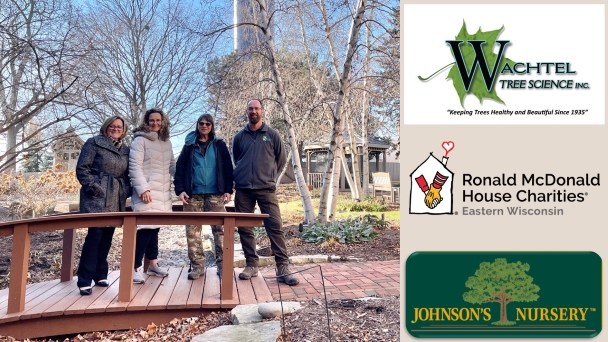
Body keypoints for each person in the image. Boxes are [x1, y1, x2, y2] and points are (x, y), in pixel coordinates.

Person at [232, 99, 299, 286]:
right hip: (244, 189)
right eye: (250, 108)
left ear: (262, 111)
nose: (253, 111)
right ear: (247, 112)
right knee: (245, 228)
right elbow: (237, 158)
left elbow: (281, 159)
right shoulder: (239, 137)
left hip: (266, 189)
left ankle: (283, 268)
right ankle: (251, 265)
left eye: (256, 108)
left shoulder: (272, 135)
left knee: (275, 227)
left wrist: (268, 176)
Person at [75, 116, 131, 295]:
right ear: (106, 127)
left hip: (116, 197)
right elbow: (82, 168)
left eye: (119, 127)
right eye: (112, 126)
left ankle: (100, 274)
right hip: (97, 197)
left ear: (123, 130)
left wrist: (125, 190)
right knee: (95, 236)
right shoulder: (93, 143)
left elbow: (128, 174)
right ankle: (84, 279)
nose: (115, 129)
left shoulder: (125, 149)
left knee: (107, 236)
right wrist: (93, 187)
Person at [174, 114, 234, 280]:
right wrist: (180, 190)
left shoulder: (219, 145)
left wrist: (228, 189)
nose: (205, 126)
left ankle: (223, 266)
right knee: (193, 232)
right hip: (193, 194)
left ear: (212, 126)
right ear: (197, 125)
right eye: (201, 123)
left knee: (220, 230)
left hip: (216, 193)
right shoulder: (189, 146)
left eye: (208, 123)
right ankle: (197, 267)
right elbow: (179, 170)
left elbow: (228, 169)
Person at [129, 108, 176, 283]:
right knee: (144, 230)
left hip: (162, 193)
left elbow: (172, 166)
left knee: (154, 229)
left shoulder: (166, 142)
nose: (155, 123)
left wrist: (185, 179)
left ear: (163, 122)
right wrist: (143, 189)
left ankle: (152, 265)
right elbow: (134, 167)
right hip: (146, 193)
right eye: (152, 120)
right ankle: (135, 268)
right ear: (146, 122)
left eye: (158, 120)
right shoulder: (140, 141)